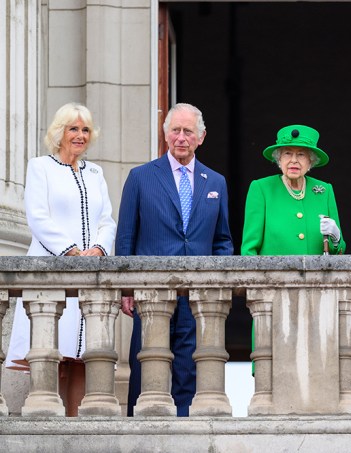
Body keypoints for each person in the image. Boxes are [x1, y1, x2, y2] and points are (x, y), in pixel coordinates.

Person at [116, 103, 234, 416]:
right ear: (166, 133)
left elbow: (222, 240)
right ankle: (138, 432)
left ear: (201, 137)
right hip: (151, 291)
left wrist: (219, 285)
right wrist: (125, 289)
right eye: (175, 130)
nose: (181, 137)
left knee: (190, 366)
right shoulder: (140, 177)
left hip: (198, 294)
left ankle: (186, 432)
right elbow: (126, 237)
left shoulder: (216, 182)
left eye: (188, 132)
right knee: (145, 363)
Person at [6, 102, 116, 416]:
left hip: (89, 274)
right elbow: (37, 217)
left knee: (83, 356)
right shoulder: (40, 167)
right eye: (73, 128)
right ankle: (51, 428)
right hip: (52, 270)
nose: (80, 135)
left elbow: (107, 219)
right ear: (60, 132)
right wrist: (70, 251)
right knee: (53, 352)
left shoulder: (96, 172)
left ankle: (78, 431)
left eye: (84, 129)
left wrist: (97, 249)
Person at [241, 124, 345, 256]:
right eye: (287, 153)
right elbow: (249, 250)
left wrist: (336, 239)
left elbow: (339, 253)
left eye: (301, 154)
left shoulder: (325, 191)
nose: (293, 160)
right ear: (279, 159)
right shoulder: (261, 189)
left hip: (317, 275)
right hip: (274, 276)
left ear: (311, 161)